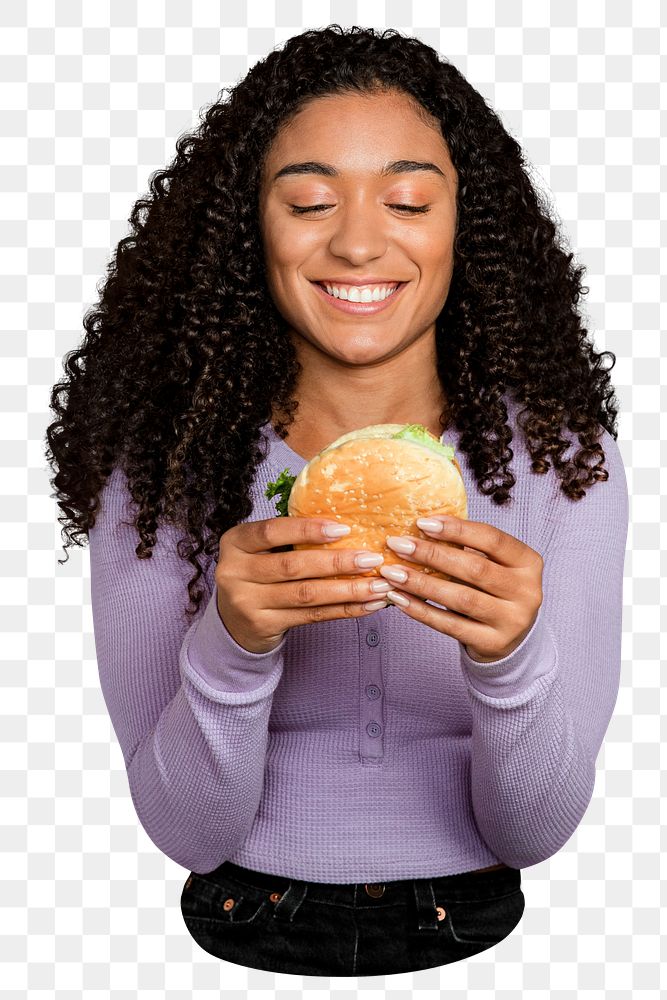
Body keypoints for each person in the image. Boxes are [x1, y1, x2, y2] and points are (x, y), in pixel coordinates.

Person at [45, 24, 629, 978]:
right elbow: (187, 831)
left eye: (406, 199)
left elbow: (534, 831)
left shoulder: (561, 458)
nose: (359, 242)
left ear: (463, 227)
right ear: (251, 229)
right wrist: (233, 645)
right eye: (310, 201)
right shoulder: (157, 463)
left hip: (487, 950)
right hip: (229, 940)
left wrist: (508, 657)